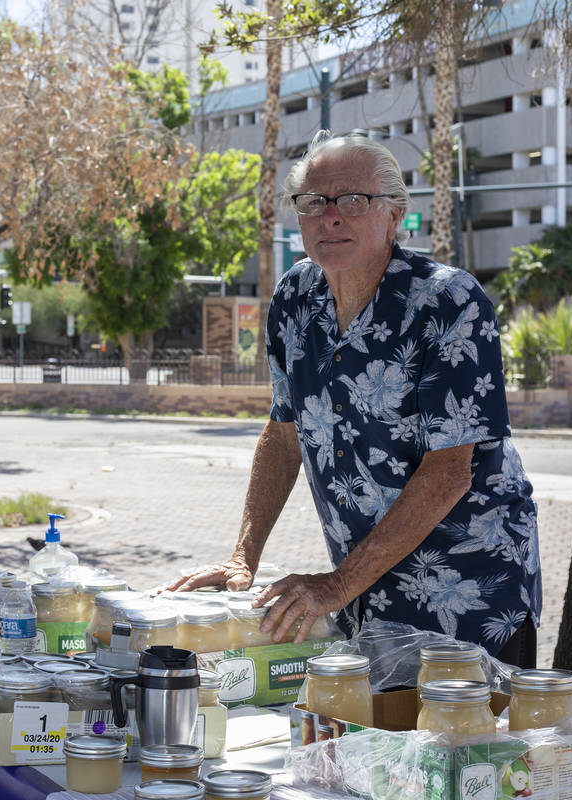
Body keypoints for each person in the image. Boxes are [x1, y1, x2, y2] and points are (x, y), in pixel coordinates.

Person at [168, 131, 540, 668]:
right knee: (379, 745)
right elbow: (284, 435)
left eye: (353, 200)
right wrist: (241, 560)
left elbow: (449, 472)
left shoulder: (448, 301)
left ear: (394, 215)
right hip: (366, 589)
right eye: (315, 201)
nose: (331, 216)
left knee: (470, 750)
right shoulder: (295, 298)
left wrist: (336, 585)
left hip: (471, 588)